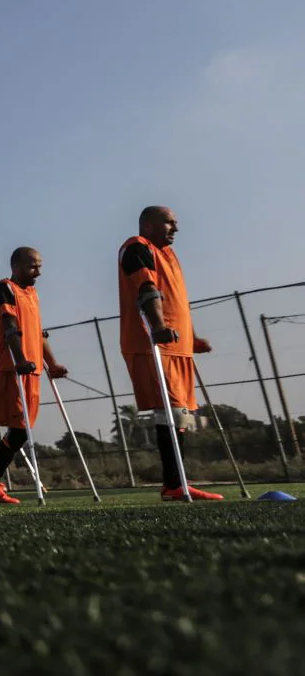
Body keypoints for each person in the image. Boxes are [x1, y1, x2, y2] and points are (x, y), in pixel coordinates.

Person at [119, 206, 223, 501]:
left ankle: (175, 483)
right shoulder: (137, 247)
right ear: (149, 224)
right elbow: (146, 290)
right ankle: (173, 485)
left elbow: (176, 301)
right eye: (168, 222)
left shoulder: (170, 256)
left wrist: (191, 337)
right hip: (152, 342)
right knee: (172, 410)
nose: (175, 228)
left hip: (177, 345)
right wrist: (159, 326)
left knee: (182, 414)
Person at [0, 248, 67, 504]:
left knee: (21, 430)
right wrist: (20, 360)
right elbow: (10, 326)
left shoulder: (33, 294)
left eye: (39, 266)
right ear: (16, 266)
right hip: (14, 368)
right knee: (19, 430)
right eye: (32, 266)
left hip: (32, 370)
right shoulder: (5, 288)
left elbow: (38, 332)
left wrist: (52, 363)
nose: (38, 272)